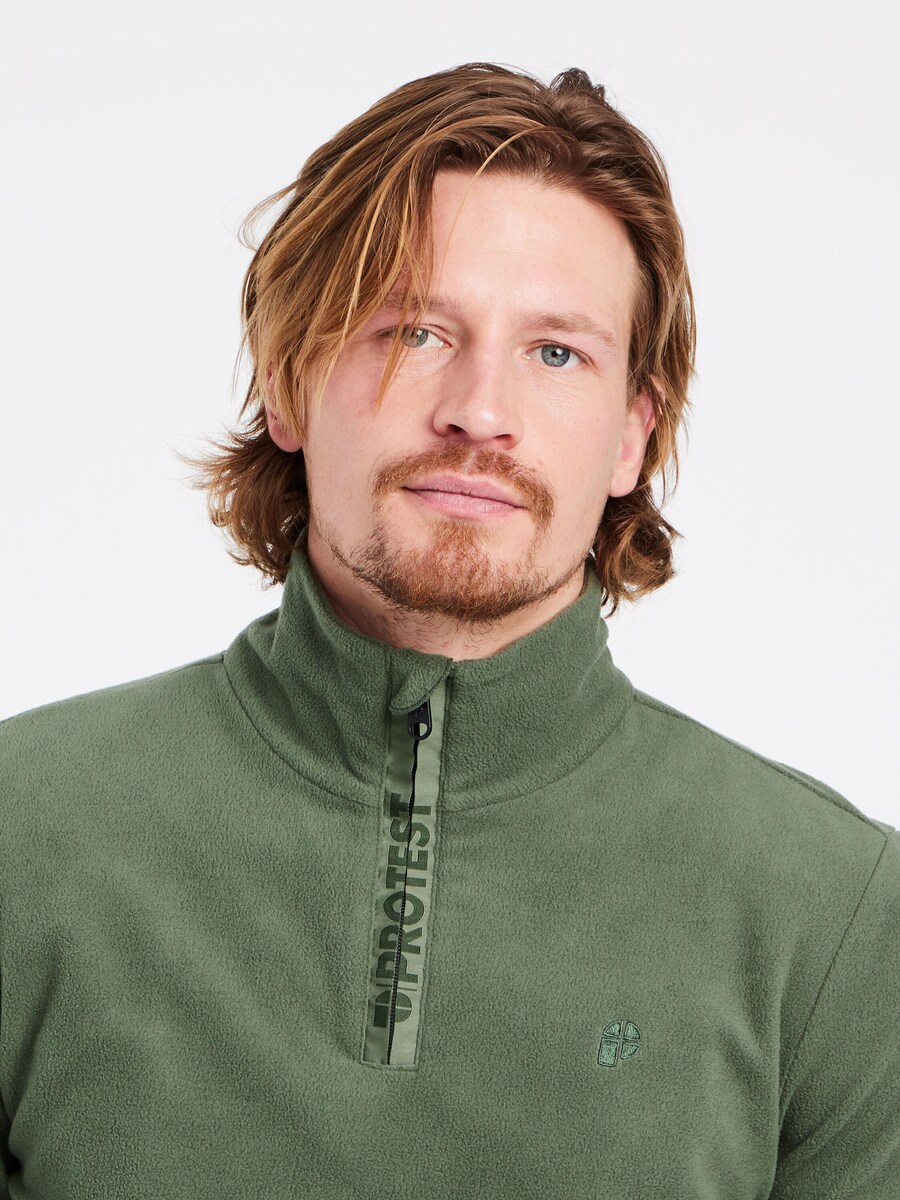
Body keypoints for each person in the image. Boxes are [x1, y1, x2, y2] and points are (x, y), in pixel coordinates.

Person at [1, 61, 897, 1200]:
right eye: (417, 331)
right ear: (288, 380)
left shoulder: (839, 916)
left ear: (632, 435)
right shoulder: (22, 832)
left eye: (557, 353)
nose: (480, 411)